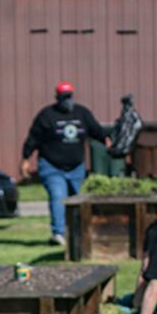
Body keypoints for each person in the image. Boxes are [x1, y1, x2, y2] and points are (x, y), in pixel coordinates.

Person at [21, 81, 110, 245]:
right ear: (57, 98)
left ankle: (78, 232)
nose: (67, 100)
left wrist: (106, 140)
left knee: (78, 199)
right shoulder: (47, 115)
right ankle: (59, 234)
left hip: (76, 167)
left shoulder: (82, 113)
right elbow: (33, 138)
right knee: (58, 197)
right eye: (63, 97)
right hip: (51, 165)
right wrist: (26, 158)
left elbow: (96, 131)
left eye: (69, 97)